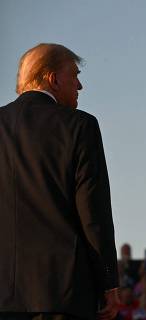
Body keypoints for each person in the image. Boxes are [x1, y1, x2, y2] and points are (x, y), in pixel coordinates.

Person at [0, 43, 119, 319]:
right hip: (64, 293)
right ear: (53, 78)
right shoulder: (80, 125)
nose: (79, 86)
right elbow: (94, 212)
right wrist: (108, 281)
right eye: (75, 75)